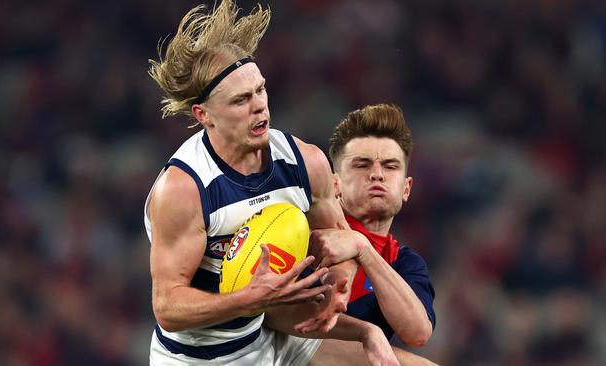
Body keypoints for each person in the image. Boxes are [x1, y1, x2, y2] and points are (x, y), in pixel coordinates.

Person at [144, 1, 398, 365]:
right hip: (200, 358)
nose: (259, 106)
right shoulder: (184, 188)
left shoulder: (305, 162)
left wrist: (342, 283)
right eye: (241, 100)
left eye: (260, 91)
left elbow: (339, 241)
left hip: (277, 334)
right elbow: (168, 307)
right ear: (204, 115)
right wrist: (251, 299)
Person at [310, 104, 437, 365]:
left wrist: (363, 249)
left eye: (391, 167)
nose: (377, 174)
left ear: (406, 188)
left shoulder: (405, 264)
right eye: (362, 165)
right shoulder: (306, 234)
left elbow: (418, 333)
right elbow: (291, 331)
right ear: (335, 184)